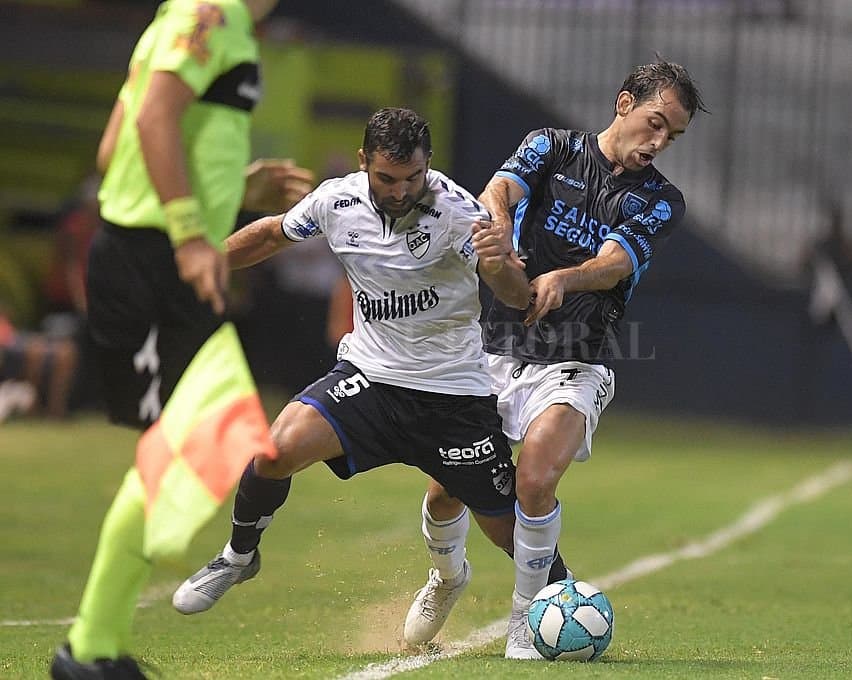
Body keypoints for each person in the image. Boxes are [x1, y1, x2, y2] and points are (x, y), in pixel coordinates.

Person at [170, 108, 547, 636]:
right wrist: (199, 263)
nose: (400, 191)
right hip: (371, 378)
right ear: (363, 161)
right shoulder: (336, 200)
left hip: (452, 394)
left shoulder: (463, 213)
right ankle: (238, 556)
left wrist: (499, 265)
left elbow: (518, 295)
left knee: (509, 533)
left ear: (428, 166)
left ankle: (543, 604)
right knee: (274, 450)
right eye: (387, 178)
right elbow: (271, 236)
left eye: (412, 178)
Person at [402, 59, 707, 659]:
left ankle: (525, 618)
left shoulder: (661, 200)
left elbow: (617, 262)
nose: (659, 142)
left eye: (672, 134)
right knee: (444, 492)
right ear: (624, 103)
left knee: (535, 479)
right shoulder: (551, 146)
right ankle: (447, 577)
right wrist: (502, 234)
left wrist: (565, 278)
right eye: (655, 123)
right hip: (491, 351)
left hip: (575, 360)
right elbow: (500, 190)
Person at [51, 1, 313, 677]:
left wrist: (235, 190)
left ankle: (94, 647)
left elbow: (116, 148)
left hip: (153, 259)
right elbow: (152, 118)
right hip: (152, 263)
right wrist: (193, 234)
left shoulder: (192, 19)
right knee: (188, 444)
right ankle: (90, 648)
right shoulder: (212, 13)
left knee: (194, 440)